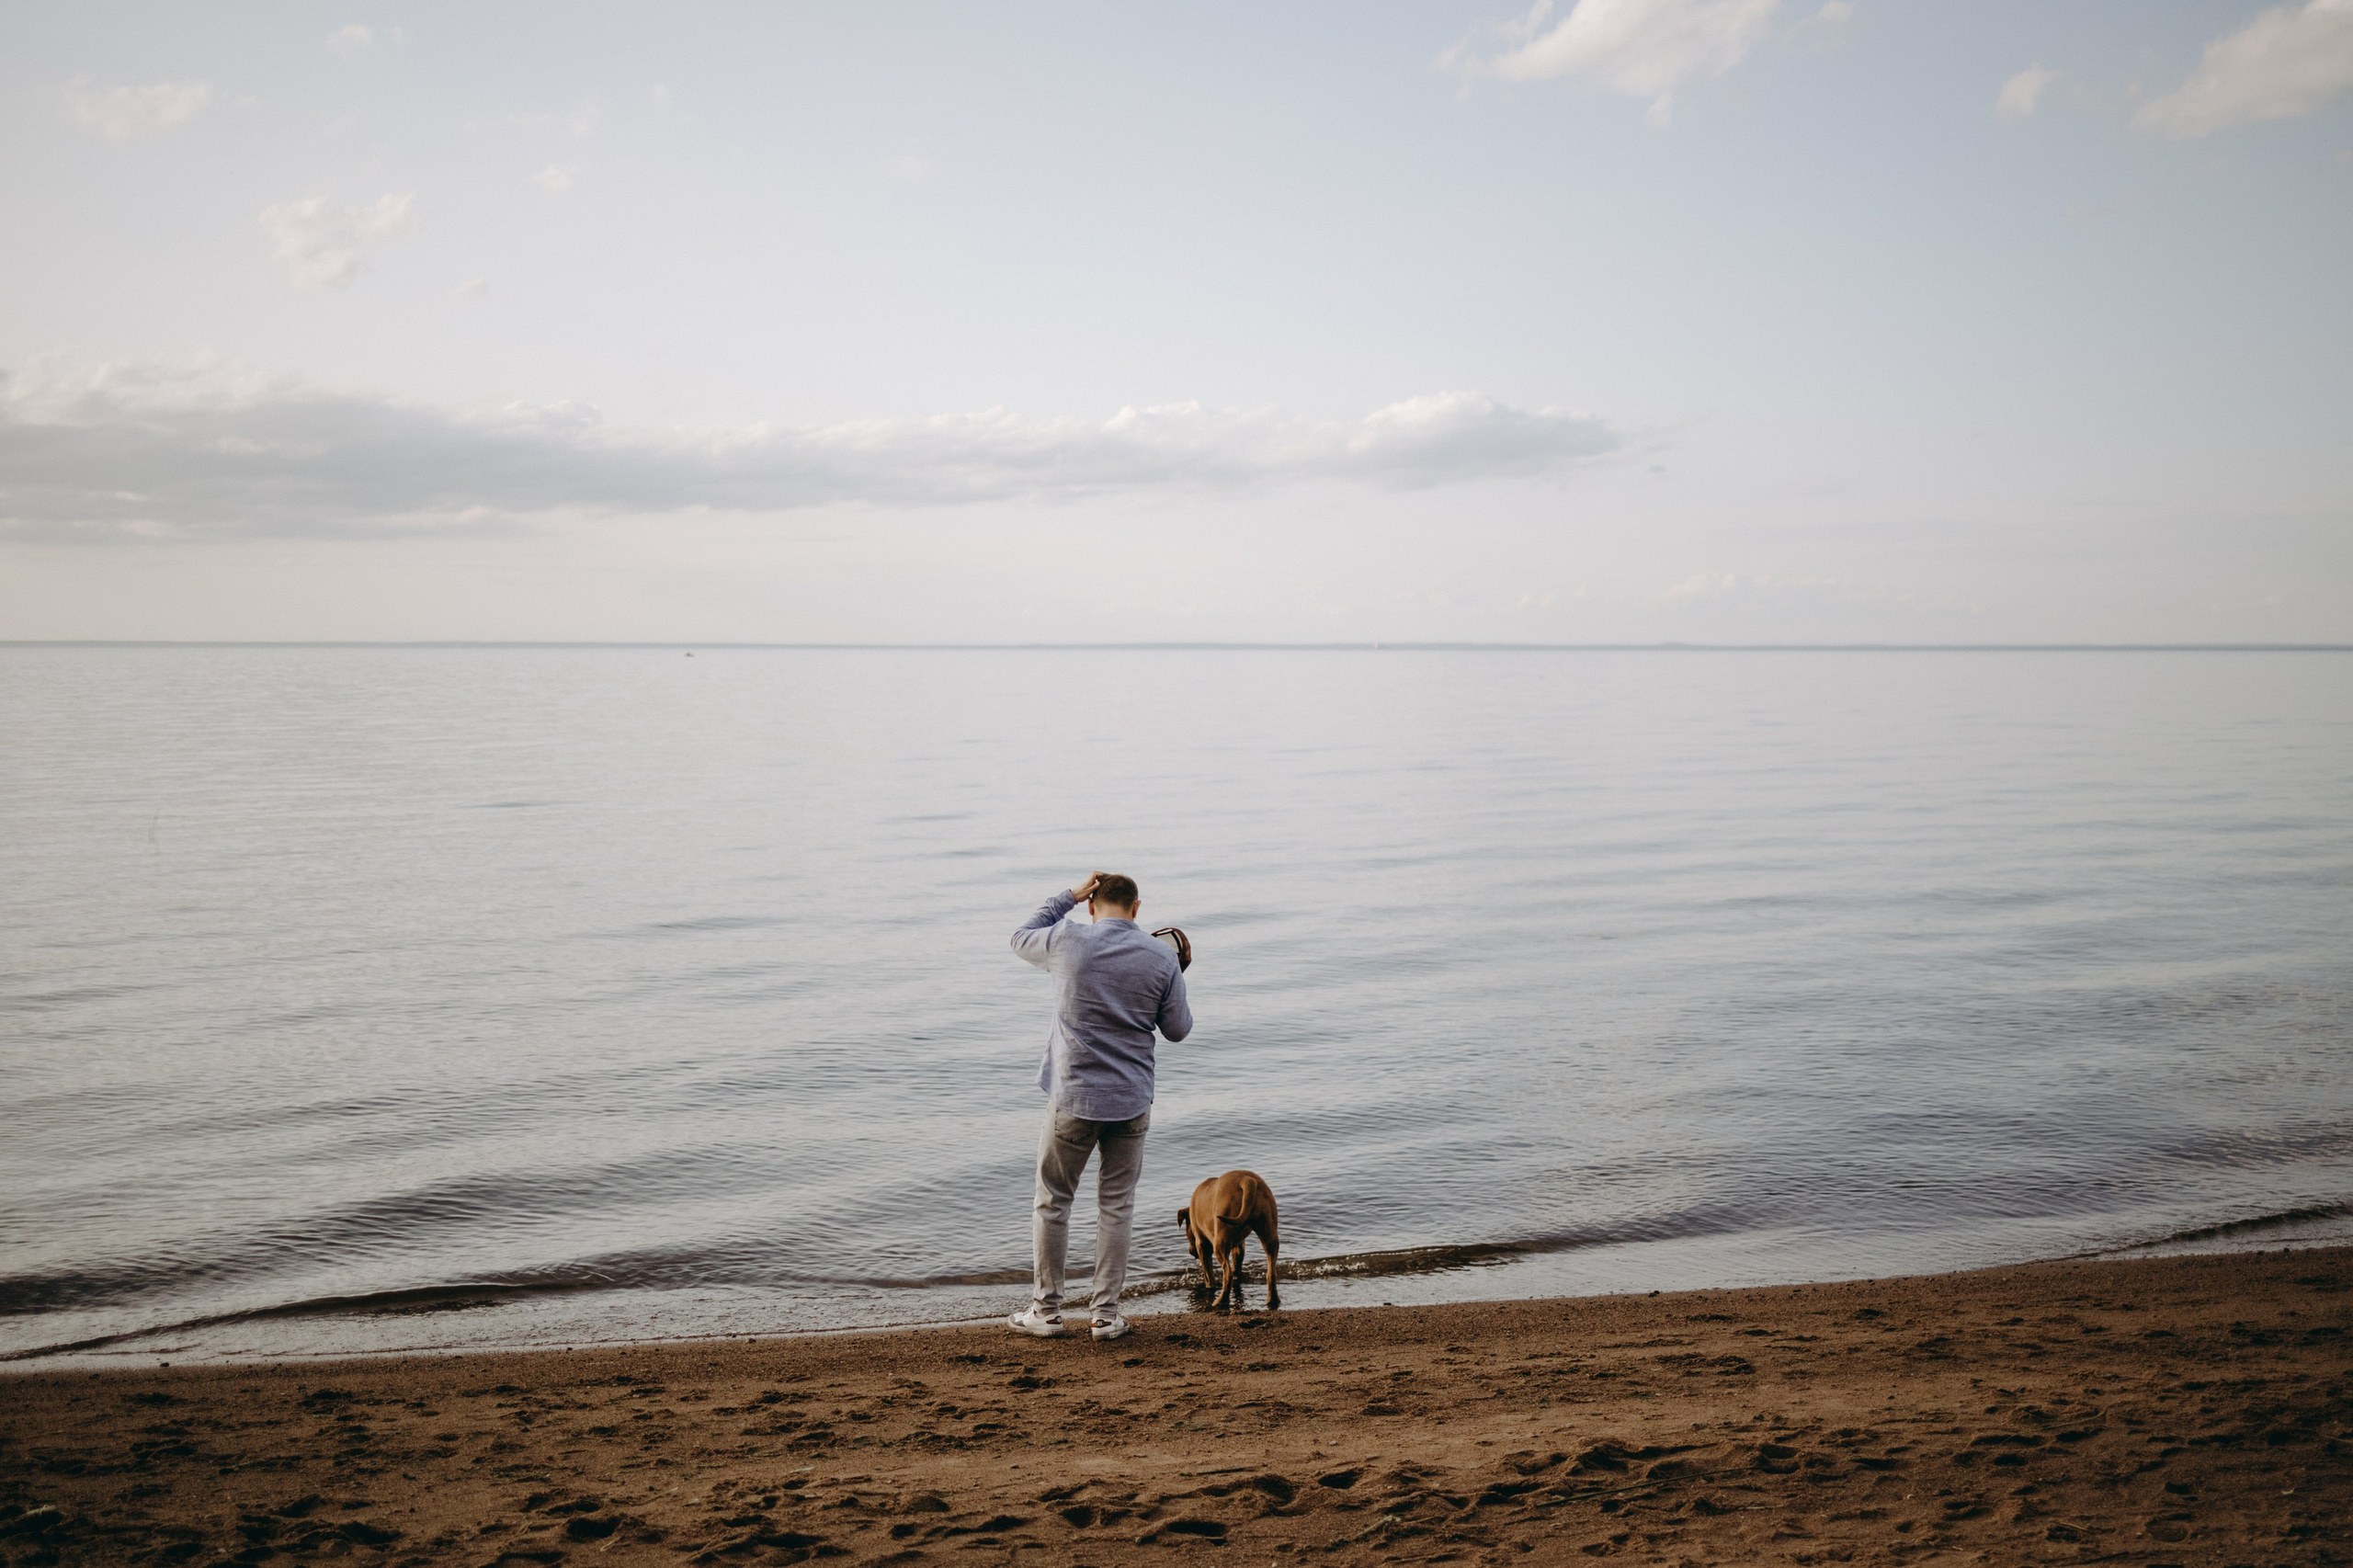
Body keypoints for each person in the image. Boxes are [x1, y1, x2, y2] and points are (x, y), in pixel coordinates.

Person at [1006, 870, 1192, 1341]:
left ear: (1093, 905)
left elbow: (1019, 936)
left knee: (1052, 1203)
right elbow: (1177, 1030)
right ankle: (1105, 1317)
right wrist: (1174, 976)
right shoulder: (1160, 956)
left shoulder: (1067, 940)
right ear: (1137, 908)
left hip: (1073, 1098)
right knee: (1116, 1206)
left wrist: (1066, 895)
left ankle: (1045, 1313)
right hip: (1130, 1101)